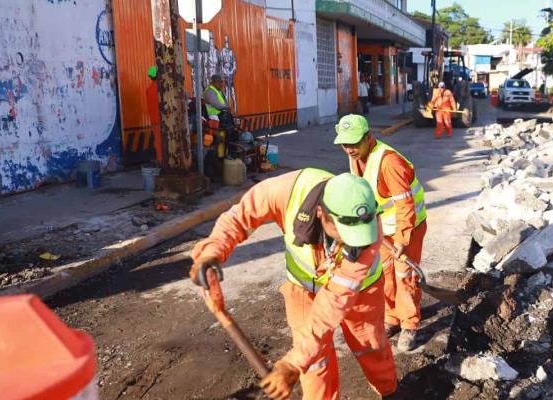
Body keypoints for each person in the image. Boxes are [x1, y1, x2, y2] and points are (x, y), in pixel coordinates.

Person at [189, 170, 397, 400]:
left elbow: (334, 303)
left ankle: (390, 392)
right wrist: (212, 253)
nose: (351, 241)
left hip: (361, 291)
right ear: (321, 213)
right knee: (314, 362)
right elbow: (239, 217)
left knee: (370, 345)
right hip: (303, 289)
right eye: (344, 232)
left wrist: (292, 364)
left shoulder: (368, 234)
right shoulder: (286, 191)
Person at [333, 114, 427, 351]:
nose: (349, 149)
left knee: (404, 276)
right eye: (345, 144)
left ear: (368, 137)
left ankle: (409, 324)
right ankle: (392, 318)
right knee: (384, 275)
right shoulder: (356, 159)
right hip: (383, 231)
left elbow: (405, 207)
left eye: (354, 143)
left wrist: (403, 241)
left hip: (409, 227)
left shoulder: (389, 163)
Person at [145, 66, 163, 164]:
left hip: (154, 120)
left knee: (158, 141)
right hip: (164, 119)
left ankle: (160, 161)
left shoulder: (149, 89)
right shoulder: (162, 88)